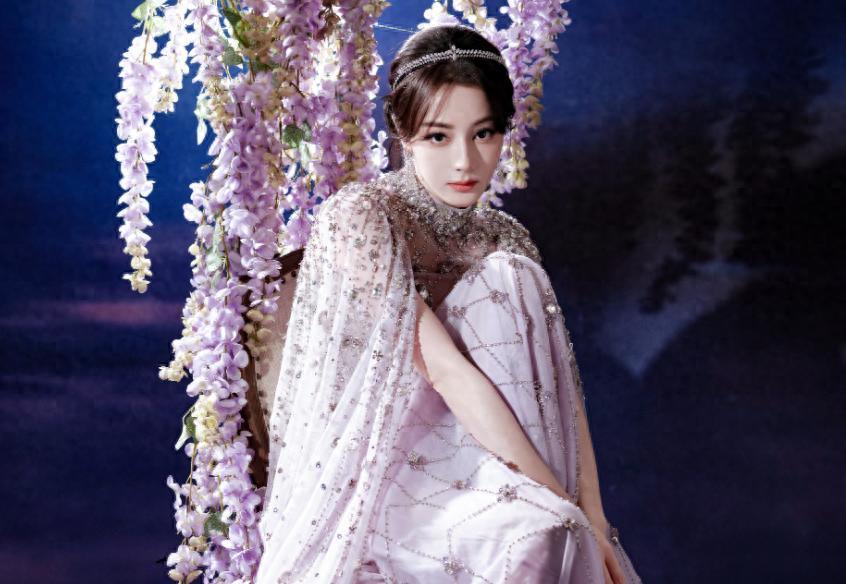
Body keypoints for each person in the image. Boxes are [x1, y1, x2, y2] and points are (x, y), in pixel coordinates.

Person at [255, 24, 642, 584]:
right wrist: (563, 506)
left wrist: (594, 517)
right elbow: (445, 370)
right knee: (546, 532)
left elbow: (561, 387)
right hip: (391, 476)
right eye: (439, 136)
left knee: (512, 273)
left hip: (503, 462)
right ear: (403, 133)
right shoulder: (363, 216)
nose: (465, 161)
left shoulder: (505, 238)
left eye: (484, 133)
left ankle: (544, 516)